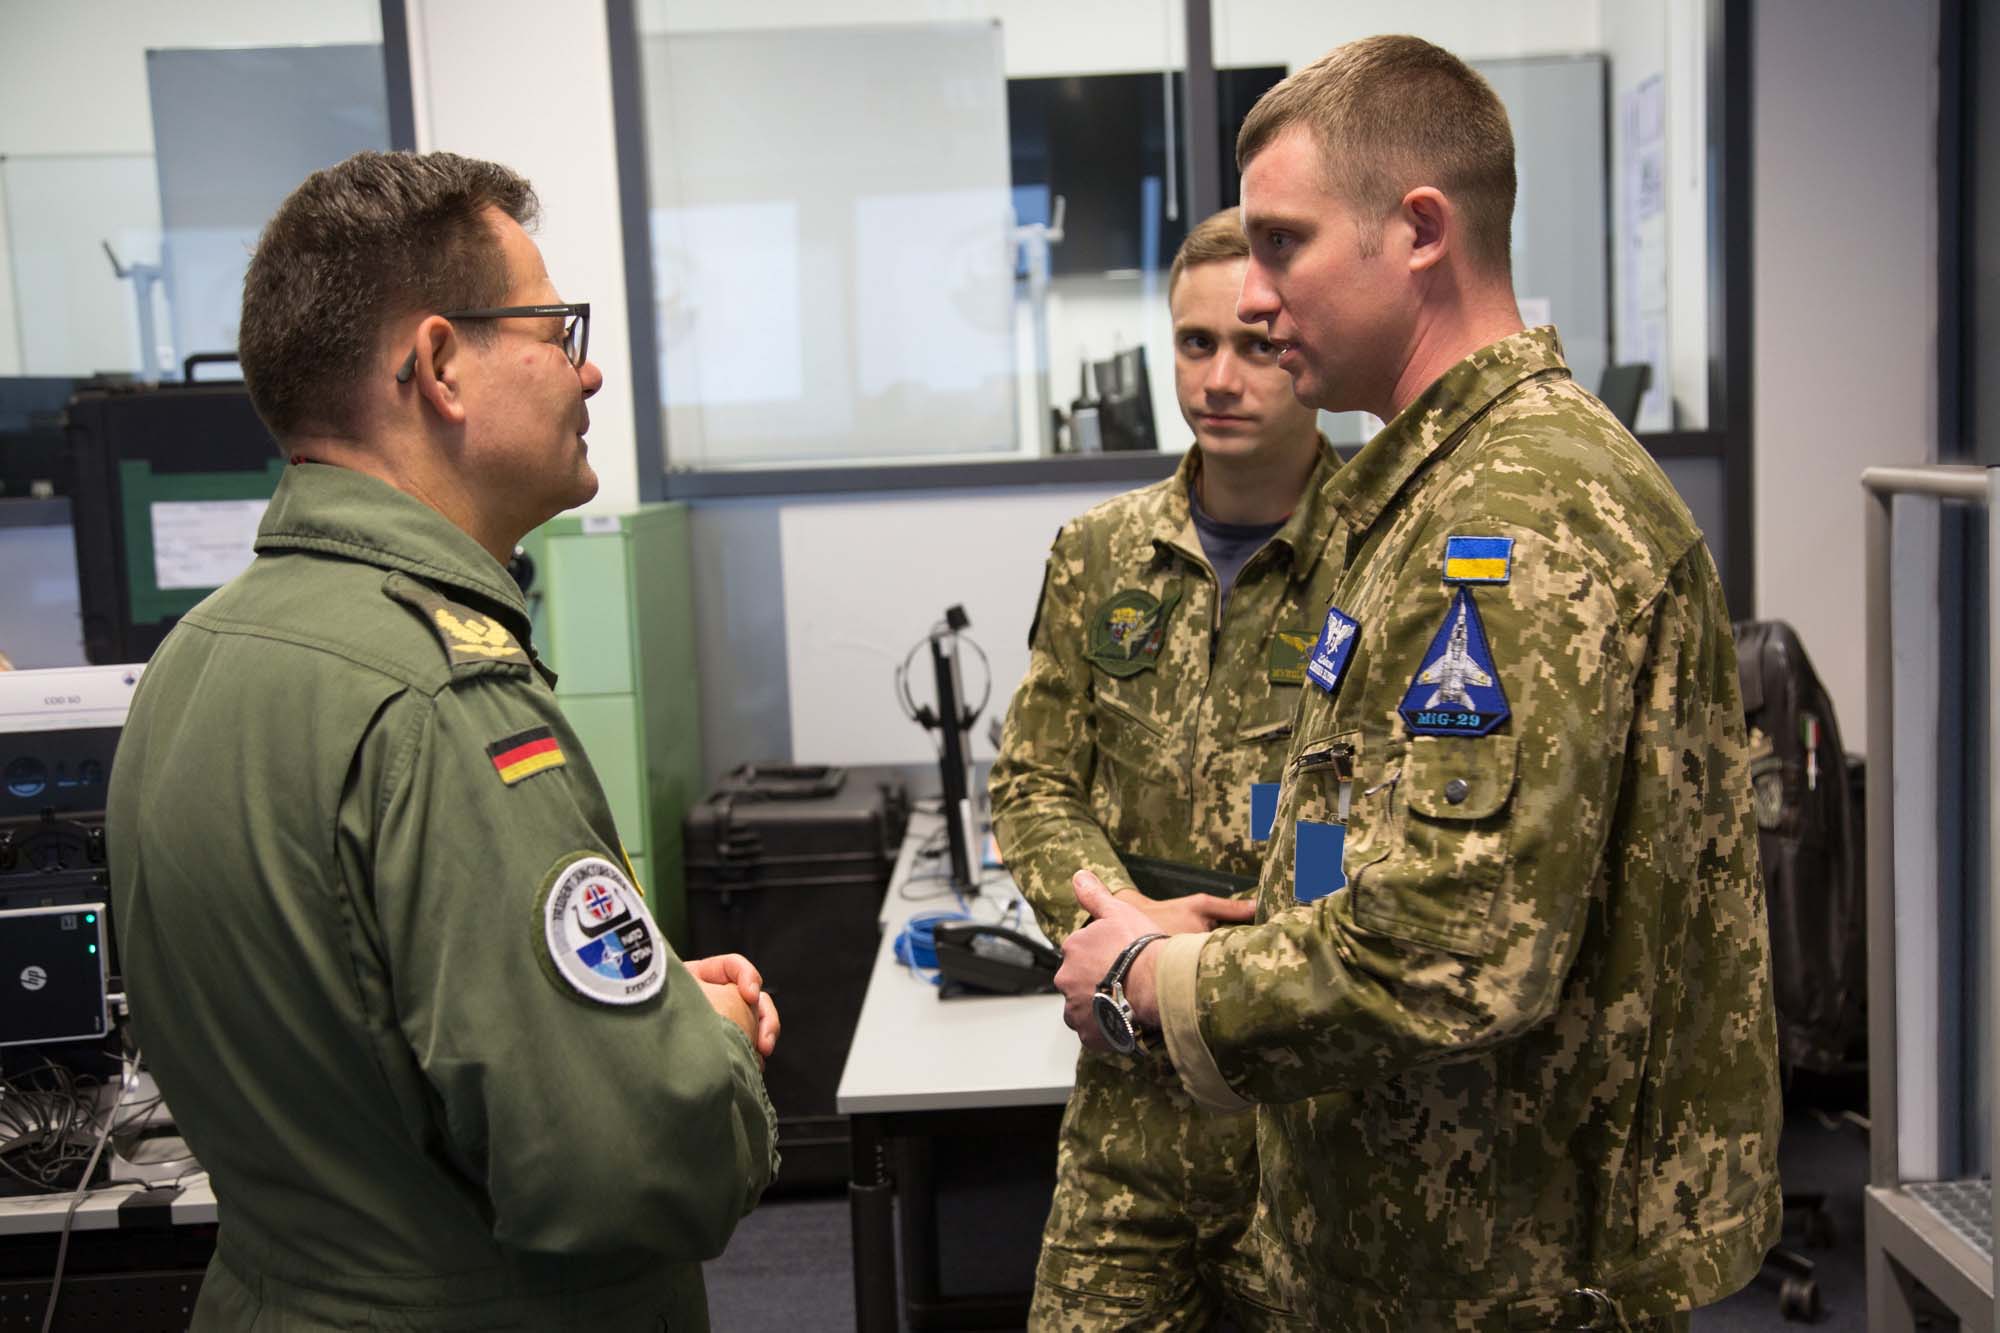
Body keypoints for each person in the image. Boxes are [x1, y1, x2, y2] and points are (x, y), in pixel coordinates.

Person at [1050, 36, 1782, 1333]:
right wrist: (1221, 937)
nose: (1260, 303)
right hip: (1418, 1255)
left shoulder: (1517, 513)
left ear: (1420, 231)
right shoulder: (1422, 492)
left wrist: (1150, 987)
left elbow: (1455, 947)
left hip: (1506, 1276)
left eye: (1284, 246)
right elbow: (1387, 859)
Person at [107, 151, 780, 1332]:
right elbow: (626, 1164)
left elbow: (364, 1028)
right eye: (554, 327)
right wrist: (708, 1051)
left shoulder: (199, 656)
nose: (589, 367)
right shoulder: (441, 700)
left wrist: (645, 1009)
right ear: (437, 364)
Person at [990, 207, 1335, 1331]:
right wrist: (1120, 918)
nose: (1218, 378)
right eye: (1194, 345)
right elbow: (1034, 781)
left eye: (1252, 344)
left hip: (1313, 1120)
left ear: (1307, 347)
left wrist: (1222, 950)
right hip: (1129, 1108)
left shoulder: (1386, 554)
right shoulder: (1100, 552)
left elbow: (1395, 836)